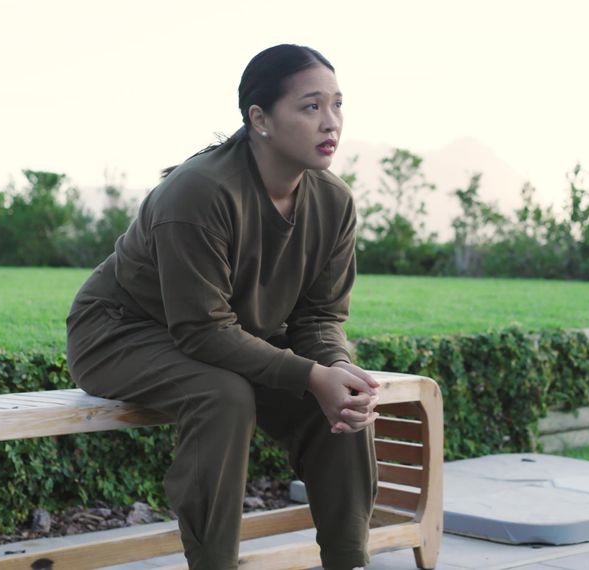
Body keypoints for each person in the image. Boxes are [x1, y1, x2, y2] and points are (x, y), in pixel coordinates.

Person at [65, 44, 380, 570]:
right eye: (310, 107)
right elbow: (201, 332)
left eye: (337, 104)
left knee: (345, 401)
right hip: (121, 333)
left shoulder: (334, 202)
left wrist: (337, 368)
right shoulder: (198, 193)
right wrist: (309, 374)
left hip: (228, 335)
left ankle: (349, 562)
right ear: (259, 118)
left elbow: (319, 319)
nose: (331, 122)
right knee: (223, 394)